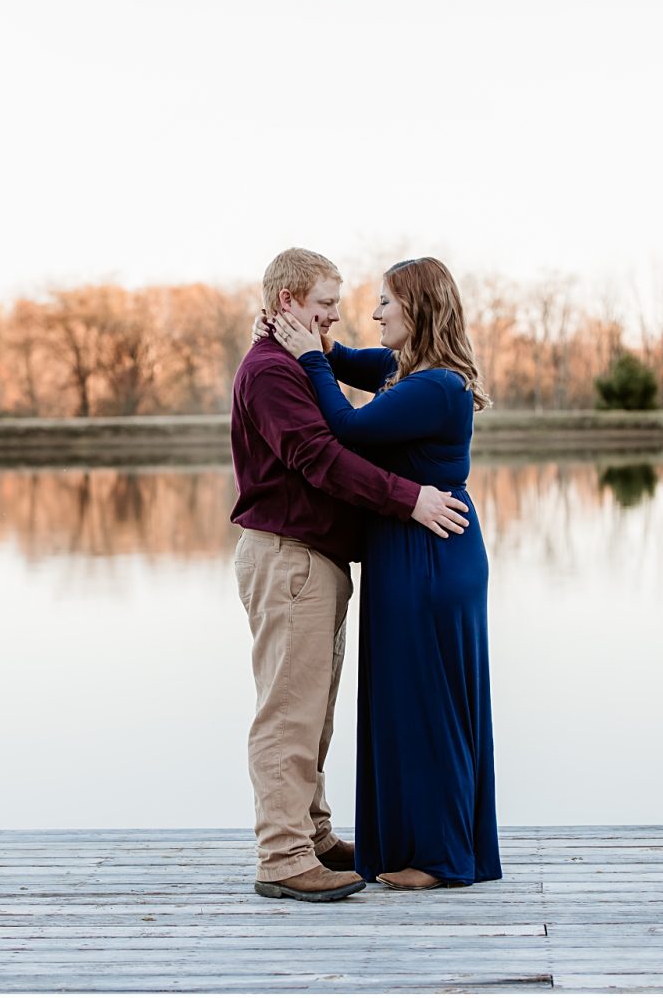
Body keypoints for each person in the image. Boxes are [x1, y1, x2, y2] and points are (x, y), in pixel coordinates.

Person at [230, 247, 471, 904]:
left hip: (315, 558)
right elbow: (322, 455)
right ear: (289, 305)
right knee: (288, 711)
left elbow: (352, 379)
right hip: (289, 555)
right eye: (325, 305)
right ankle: (282, 856)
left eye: (339, 303)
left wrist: (322, 351)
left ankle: (313, 832)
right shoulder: (274, 372)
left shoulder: (306, 363)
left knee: (314, 709)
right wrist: (408, 498)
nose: (341, 314)